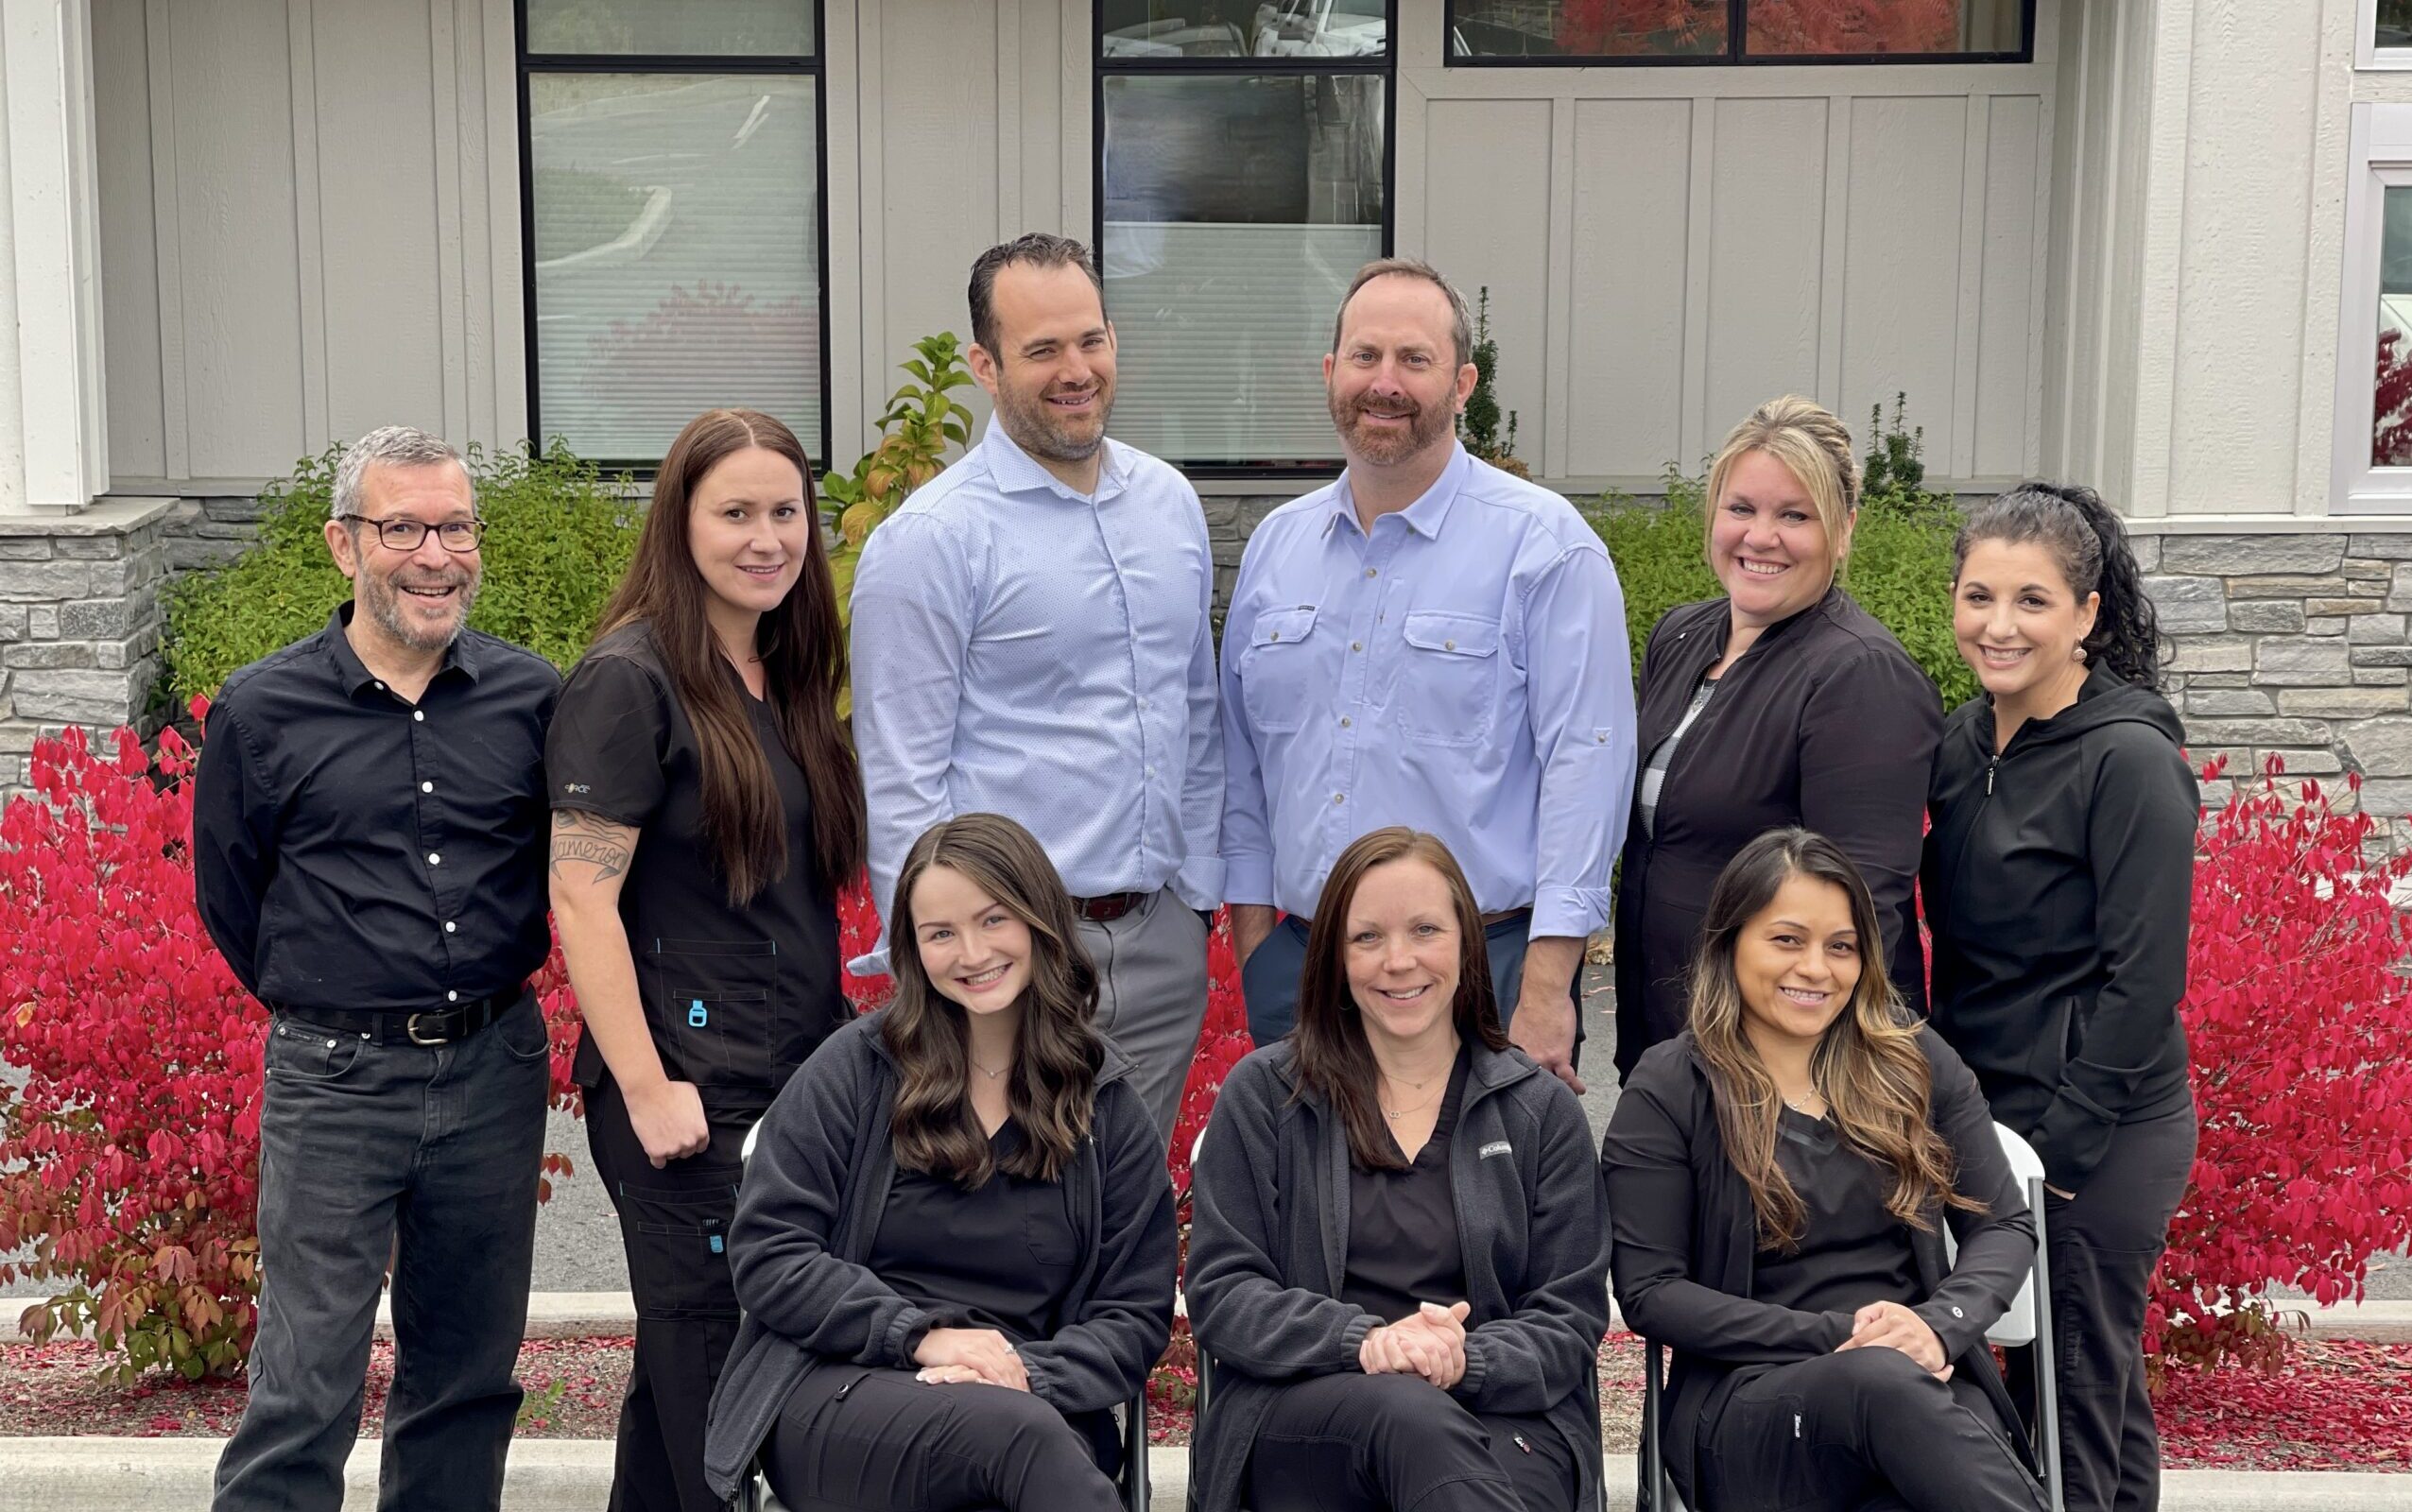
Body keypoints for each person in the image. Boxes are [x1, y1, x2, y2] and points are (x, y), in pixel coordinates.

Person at [193, 426, 559, 1511]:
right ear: (344, 545)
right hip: (335, 1079)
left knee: (465, 1381)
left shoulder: (532, 699)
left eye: (454, 527)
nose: (435, 554)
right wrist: (338, 999)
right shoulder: (262, 710)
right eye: (402, 527)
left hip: (495, 1067)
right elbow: (231, 897)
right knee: (304, 1386)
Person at [544, 407, 866, 1512]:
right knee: (716, 1379)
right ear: (679, 523)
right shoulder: (628, 681)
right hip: (689, 1097)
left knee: (681, 1381)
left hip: (789, 1083)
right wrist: (645, 1086)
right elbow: (579, 897)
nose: (766, 536)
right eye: (735, 512)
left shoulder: (782, 670)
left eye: (786, 512)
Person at [1220, 258, 1632, 1091]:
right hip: (1303, 966)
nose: (1386, 383)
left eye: (1415, 359)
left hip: (1487, 966)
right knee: (1306, 1215)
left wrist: (1550, 986)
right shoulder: (1276, 547)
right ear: (1331, 373)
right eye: (1365, 357)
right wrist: (1260, 947)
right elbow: (1241, 764)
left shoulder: (1544, 548)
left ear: (1462, 383)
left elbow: (1587, 773)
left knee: (1483, 1216)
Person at [850, 232, 1221, 1144]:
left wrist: (1200, 897)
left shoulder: (1170, 504)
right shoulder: (930, 542)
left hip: (1161, 941)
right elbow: (904, 778)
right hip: (1017, 954)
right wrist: (938, 970)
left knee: (1129, 1213)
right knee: (1014, 1209)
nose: (1076, 370)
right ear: (983, 364)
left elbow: (1196, 712)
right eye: (1041, 350)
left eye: (1090, 340)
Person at [700, 813, 1179, 1511]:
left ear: (1039, 921)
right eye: (940, 933)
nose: (971, 952)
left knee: (1017, 1447)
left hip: (1029, 1400)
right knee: (1022, 1446)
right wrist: (921, 1337)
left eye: (993, 920)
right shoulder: (857, 1071)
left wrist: (1023, 1371)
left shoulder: (1103, 1103)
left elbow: (1133, 1314)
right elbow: (769, 1252)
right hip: (846, 1394)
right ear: (912, 948)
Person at [1604, 828, 2046, 1512]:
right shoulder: (1672, 1087)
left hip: (1922, 1389)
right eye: (1786, 939)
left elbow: (2005, 1224)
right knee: (1879, 1385)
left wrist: (1936, 1325)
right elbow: (1651, 1291)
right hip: (1748, 1409)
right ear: (1730, 943)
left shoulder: (1912, 1062)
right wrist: (1845, 1336)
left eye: (1840, 947)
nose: (1816, 967)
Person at [1186, 827, 1611, 1512]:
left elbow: (1569, 1315)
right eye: (1368, 938)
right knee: (1404, 1417)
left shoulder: (1538, 1111)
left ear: (1468, 944)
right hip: (1306, 1415)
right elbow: (1224, 1292)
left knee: (1458, 1454)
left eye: (1425, 930)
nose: (1399, 961)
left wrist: (1464, 1359)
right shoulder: (1266, 1095)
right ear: (1334, 958)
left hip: (1498, 1417)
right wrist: (1368, 1343)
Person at [1921, 483, 2197, 1512]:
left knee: (2077, 1386)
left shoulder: (2127, 759)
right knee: (2080, 1398)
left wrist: (2067, 1156)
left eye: (2032, 601)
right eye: (1978, 596)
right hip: (1988, 1116)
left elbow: (2144, 982)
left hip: (2101, 1130)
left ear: (2085, 614)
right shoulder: (1960, 747)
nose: (1999, 625)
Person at [1611, 396, 1941, 1086]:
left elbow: (1860, 911)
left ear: (1844, 529)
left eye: (1794, 515)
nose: (1760, 537)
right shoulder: (1680, 637)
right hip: (1664, 1040)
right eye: (1741, 509)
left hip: (1777, 1067)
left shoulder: (1860, 675)